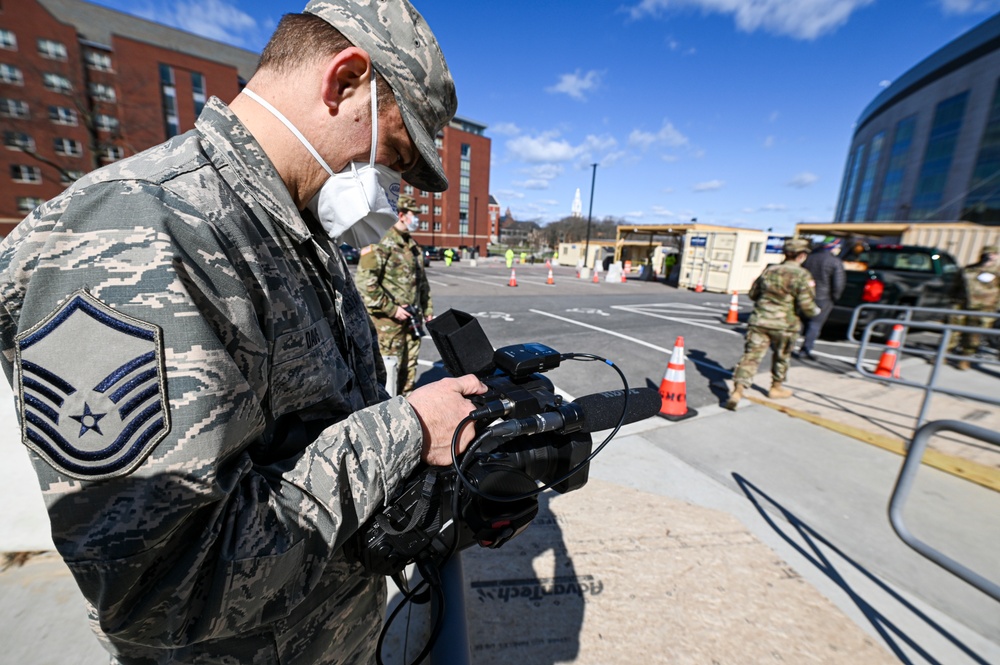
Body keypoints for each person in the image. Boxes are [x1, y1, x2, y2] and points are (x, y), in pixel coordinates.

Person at [0, 2, 487, 664]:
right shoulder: (139, 229)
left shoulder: (298, 230)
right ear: (343, 82)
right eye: (394, 153)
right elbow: (163, 584)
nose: (390, 184)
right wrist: (407, 429)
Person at [726, 238, 820, 410]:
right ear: (801, 255)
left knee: (751, 357)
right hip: (785, 324)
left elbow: (753, 294)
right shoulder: (802, 275)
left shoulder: (769, 271)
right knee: (782, 356)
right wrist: (816, 313)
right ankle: (776, 388)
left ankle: (738, 391)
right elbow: (807, 305)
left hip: (759, 320)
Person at [356, 194, 432, 396]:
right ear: (401, 214)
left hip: (412, 319)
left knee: (409, 367)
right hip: (389, 324)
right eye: (413, 214)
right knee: (389, 373)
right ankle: (390, 413)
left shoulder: (411, 245)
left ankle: (409, 405)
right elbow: (365, 283)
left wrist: (427, 308)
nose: (416, 219)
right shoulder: (381, 241)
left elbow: (421, 281)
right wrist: (392, 309)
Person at [951, 244, 1000, 370]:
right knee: (953, 331)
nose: (989, 256)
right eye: (986, 253)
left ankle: (965, 358)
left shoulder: (998, 272)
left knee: (974, 336)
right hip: (963, 305)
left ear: (996, 256)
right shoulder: (968, 269)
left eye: (992, 254)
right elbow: (956, 285)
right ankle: (944, 354)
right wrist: (953, 300)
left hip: (985, 308)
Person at [797, 236, 846, 360]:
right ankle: (806, 349)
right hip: (823, 298)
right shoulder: (835, 262)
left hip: (805, 294)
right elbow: (838, 284)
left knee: (801, 321)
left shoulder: (810, 258)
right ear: (833, 247)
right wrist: (835, 298)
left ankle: (787, 345)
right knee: (814, 324)